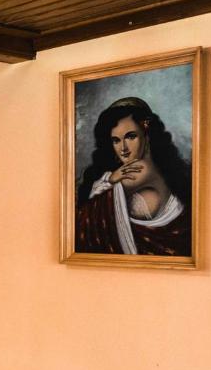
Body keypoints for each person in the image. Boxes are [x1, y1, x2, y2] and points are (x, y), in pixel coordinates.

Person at [75, 97, 192, 256]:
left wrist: (110, 179)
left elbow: (91, 208)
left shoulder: (140, 169)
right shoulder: (158, 167)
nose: (123, 148)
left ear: (147, 135)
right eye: (116, 140)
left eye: (131, 137)